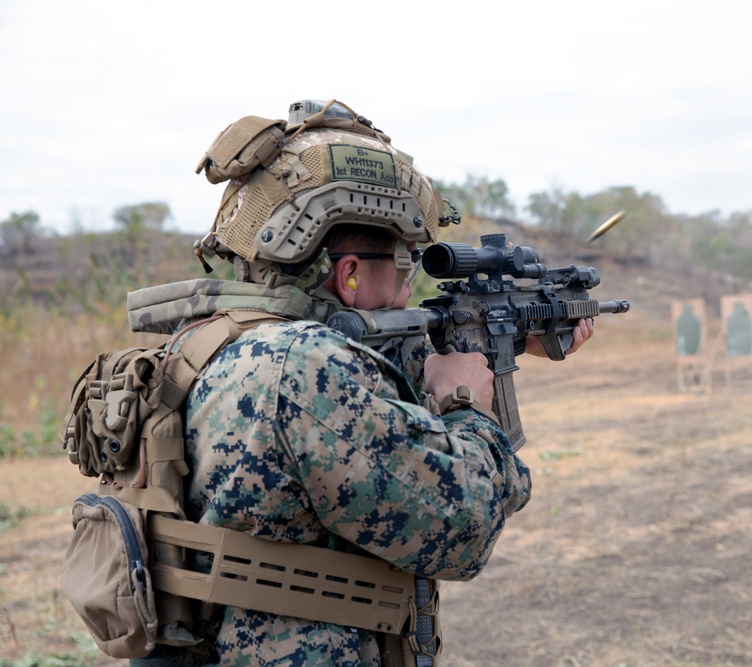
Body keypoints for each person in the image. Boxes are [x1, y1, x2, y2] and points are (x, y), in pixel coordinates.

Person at [128, 98, 593, 666]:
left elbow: (349, 442)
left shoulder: (211, 339)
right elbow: (463, 527)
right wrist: (466, 402)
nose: (408, 294)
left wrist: (501, 342)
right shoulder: (306, 366)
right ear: (348, 275)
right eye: (405, 268)